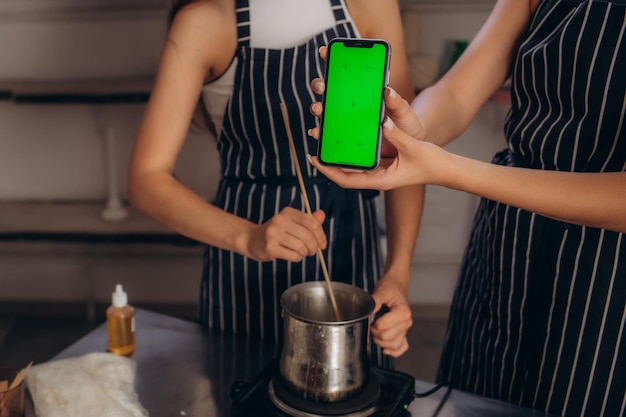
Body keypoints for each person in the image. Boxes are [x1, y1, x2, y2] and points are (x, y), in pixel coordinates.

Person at [308, 0, 626, 415]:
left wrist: (447, 169)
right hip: (508, 244)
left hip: (604, 279)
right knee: (474, 397)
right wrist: (409, 130)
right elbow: (456, 94)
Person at [127, 0, 422, 365]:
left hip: (353, 245)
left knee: (353, 390)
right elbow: (146, 179)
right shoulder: (204, 21)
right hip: (245, 257)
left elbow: (409, 153)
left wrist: (397, 275)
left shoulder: (368, 4)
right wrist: (249, 238)